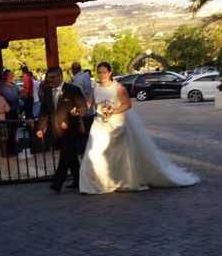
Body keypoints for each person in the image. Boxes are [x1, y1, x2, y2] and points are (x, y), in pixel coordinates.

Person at [79, 62, 199, 194]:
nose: (102, 75)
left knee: (119, 155)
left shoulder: (118, 88)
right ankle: (93, 184)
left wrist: (113, 111)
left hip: (117, 123)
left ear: (109, 73)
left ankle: (120, 180)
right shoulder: (95, 88)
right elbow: (89, 103)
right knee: (93, 152)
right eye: (99, 72)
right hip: (99, 124)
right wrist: (79, 108)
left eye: (104, 72)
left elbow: (127, 105)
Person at [35, 66, 87, 193]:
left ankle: (56, 183)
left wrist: (69, 120)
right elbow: (44, 112)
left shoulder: (73, 90)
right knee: (71, 157)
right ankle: (79, 180)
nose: (50, 80)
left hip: (72, 130)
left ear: (61, 76)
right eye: (48, 78)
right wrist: (40, 128)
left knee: (64, 156)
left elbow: (82, 108)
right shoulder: (47, 92)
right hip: (57, 130)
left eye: (53, 77)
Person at [0, 69, 22, 155]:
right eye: (9, 75)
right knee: (9, 130)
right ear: (5, 76)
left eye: (12, 75)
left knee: (15, 130)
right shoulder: (2, 87)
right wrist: (19, 96)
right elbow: (11, 98)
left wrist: (21, 94)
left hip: (15, 110)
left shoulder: (14, 85)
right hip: (8, 112)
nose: (11, 77)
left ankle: (14, 147)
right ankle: (10, 149)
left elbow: (19, 94)